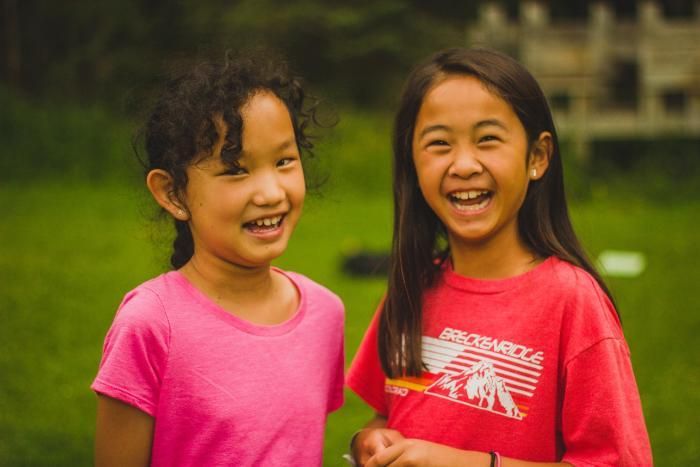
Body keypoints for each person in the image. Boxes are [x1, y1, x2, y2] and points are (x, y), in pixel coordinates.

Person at [346, 48, 652, 466]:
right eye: (439, 143)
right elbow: (386, 413)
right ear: (412, 162)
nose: (464, 165)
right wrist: (368, 440)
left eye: (487, 139)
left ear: (538, 157)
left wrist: (466, 463)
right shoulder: (411, 287)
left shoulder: (573, 301)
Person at [92, 51, 345, 466]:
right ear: (173, 194)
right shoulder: (151, 326)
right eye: (235, 170)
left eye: (284, 161)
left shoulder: (325, 313)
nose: (270, 193)